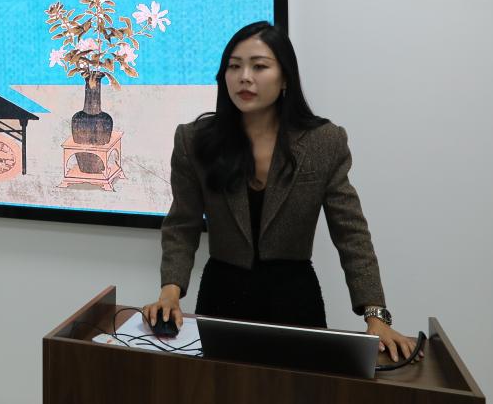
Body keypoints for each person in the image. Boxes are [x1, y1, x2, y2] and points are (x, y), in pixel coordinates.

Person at [143, 21, 423, 364]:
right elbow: (182, 225)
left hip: (295, 300)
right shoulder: (195, 141)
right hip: (221, 298)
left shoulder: (323, 142)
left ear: (285, 77)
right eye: (234, 66)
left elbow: (351, 233)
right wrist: (170, 292)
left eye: (259, 66)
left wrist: (376, 316)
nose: (245, 77)